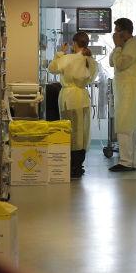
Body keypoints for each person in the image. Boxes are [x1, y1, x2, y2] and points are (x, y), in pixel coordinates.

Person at [47, 31, 98, 179]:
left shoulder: (68, 58)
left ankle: (70, 165)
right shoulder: (91, 61)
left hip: (69, 98)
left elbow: (51, 68)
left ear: (74, 43)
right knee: (81, 133)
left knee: (69, 132)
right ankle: (78, 165)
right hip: (82, 98)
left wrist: (60, 53)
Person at [108, 18, 136, 172]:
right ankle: (132, 162)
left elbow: (121, 64)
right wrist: (117, 47)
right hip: (124, 89)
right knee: (128, 125)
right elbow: (112, 62)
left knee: (125, 124)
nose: (115, 34)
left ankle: (126, 162)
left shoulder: (134, 44)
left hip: (130, 90)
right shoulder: (124, 45)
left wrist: (118, 46)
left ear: (124, 32)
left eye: (117, 31)